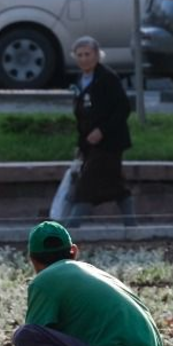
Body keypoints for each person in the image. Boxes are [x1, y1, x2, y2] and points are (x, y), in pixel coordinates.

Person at [6, 221, 162, 346]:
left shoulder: (45, 280)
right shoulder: (94, 273)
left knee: (26, 335)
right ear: (73, 251)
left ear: (31, 259)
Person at [61, 36, 136, 228]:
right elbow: (81, 116)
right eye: (80, 55)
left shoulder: (107, 78)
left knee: (87, 185)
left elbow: (123, 108)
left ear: (96, 55)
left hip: (110, 142)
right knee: (116, 185)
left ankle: (72, 226)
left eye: (88, 54)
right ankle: (131, 224)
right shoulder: (80, 80)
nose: (84, 59)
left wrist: (102, 130)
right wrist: (81, 145)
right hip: (90, 143)